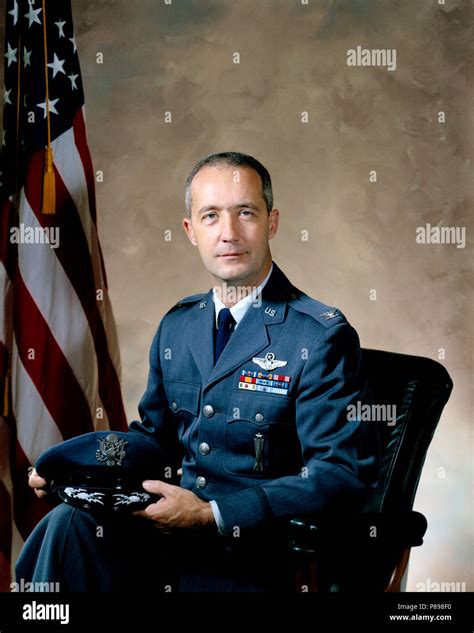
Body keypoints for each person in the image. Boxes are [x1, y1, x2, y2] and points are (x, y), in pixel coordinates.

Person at [16, 152, 379, 592]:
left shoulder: (320, 336)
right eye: (211, 216)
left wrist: (211, 515)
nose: (228, 234)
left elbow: (339, 473)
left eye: (246, 213)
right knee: (71, 524)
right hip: (168, 540)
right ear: (191, 230)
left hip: (256, 554)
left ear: (272, 222)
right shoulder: (179, 324)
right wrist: (77, 475)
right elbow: (154, 440)